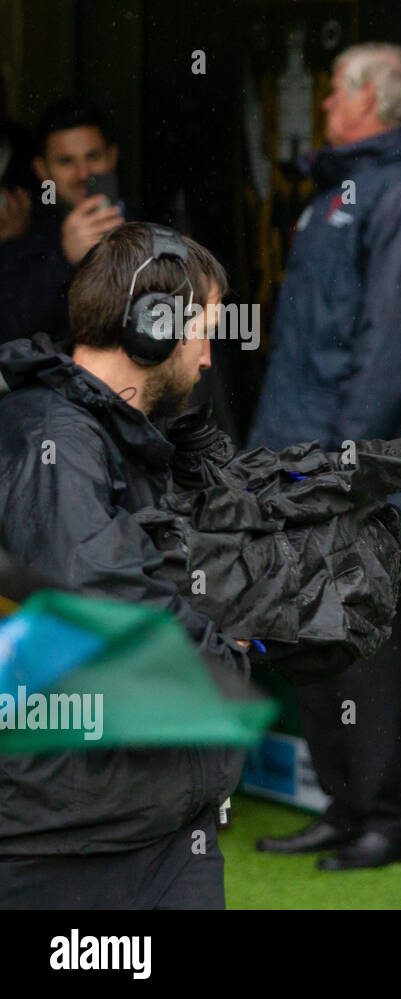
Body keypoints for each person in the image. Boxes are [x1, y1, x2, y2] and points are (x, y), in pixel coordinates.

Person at [0, 223, 249, 908]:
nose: (207, 360)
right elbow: (106, 600)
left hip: (159, 829)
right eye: (204, 331)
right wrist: (224, 660)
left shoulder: (119, 440)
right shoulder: (53, 440)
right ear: (151, 327)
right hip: (70, 848)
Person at [249, 42, 401, 871]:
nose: (324, 103)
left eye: (336, 89)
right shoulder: (336, 187)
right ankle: (342, 807)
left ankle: (385, 822)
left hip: (351, 470)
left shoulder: (400, 192)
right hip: (294, 459)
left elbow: (399, 338)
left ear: (371, 99)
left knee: (364, 646)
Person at [0, 98, 126, 346]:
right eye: (66, 161)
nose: (83, 173)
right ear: (43, 170)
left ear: (112, 157)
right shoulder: (24, 237)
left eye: (93, 156)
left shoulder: (154, 223)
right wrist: (64, 258)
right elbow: (11, 336)